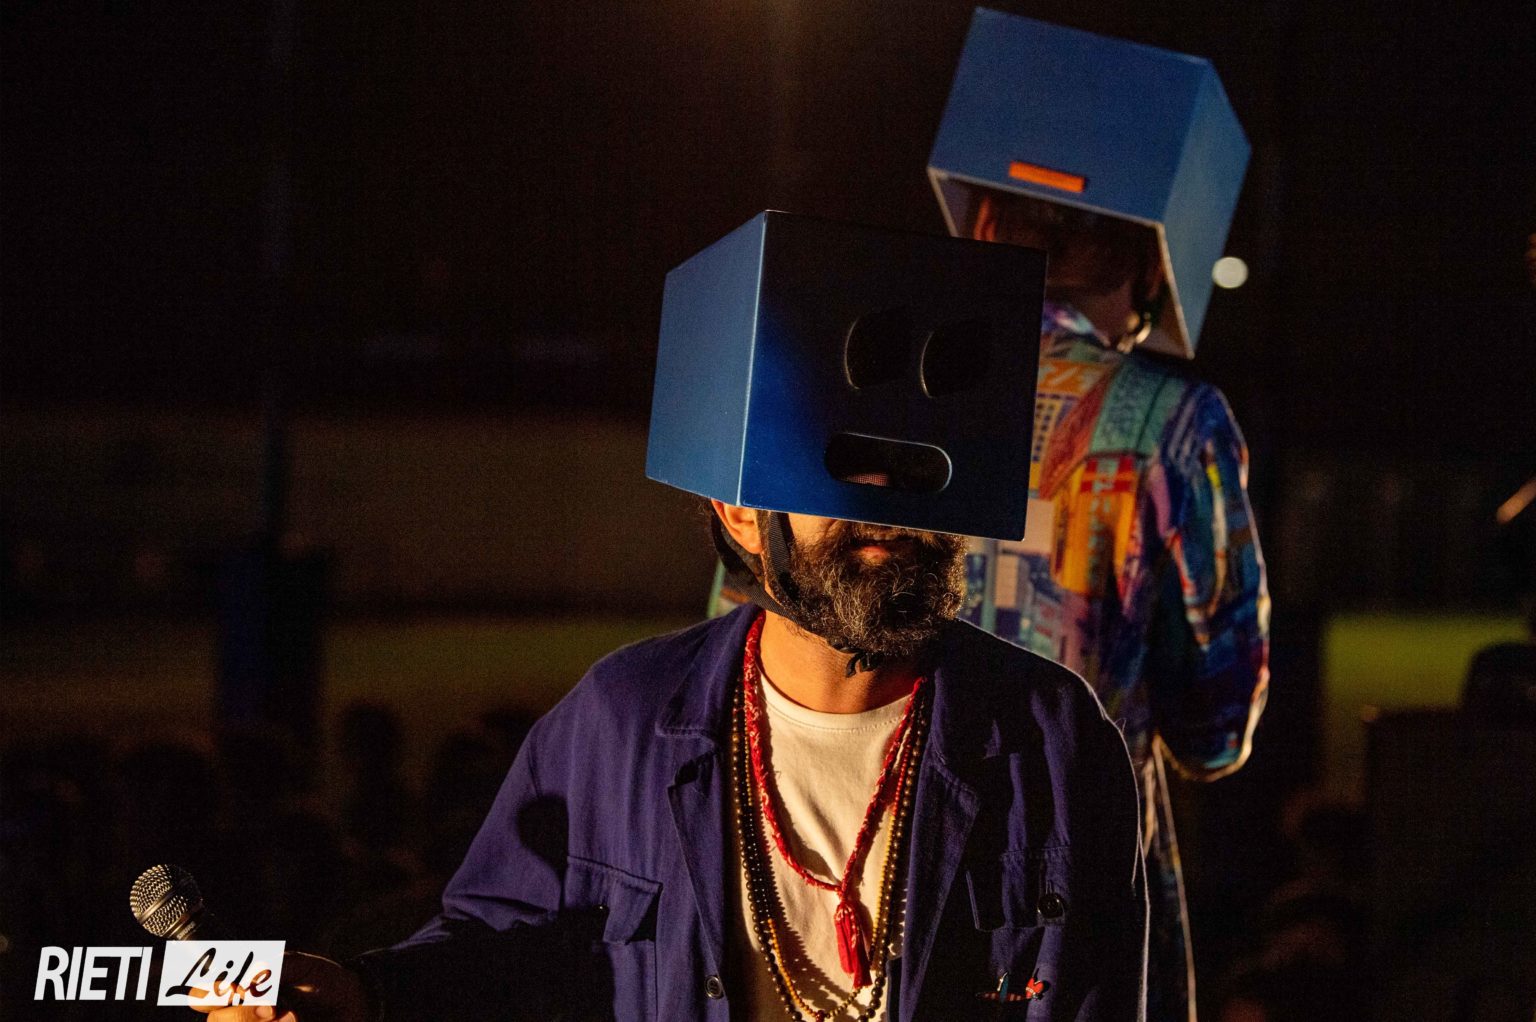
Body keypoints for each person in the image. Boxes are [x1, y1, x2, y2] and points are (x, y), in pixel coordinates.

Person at [200, 212, 1149, 1021]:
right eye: (849, 468)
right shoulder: (622, 723)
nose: (890, 510)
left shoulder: (1052, 740)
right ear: (738, 509)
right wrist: (364, 994)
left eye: (917, 471)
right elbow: (504, 944)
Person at [924, 14, 1272, 1022]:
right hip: (1074, 903)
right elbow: (1215, 728)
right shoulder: (1175, 423)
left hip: (874, 882)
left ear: (982, 221)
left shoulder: (866, 380)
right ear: (1151, 257)